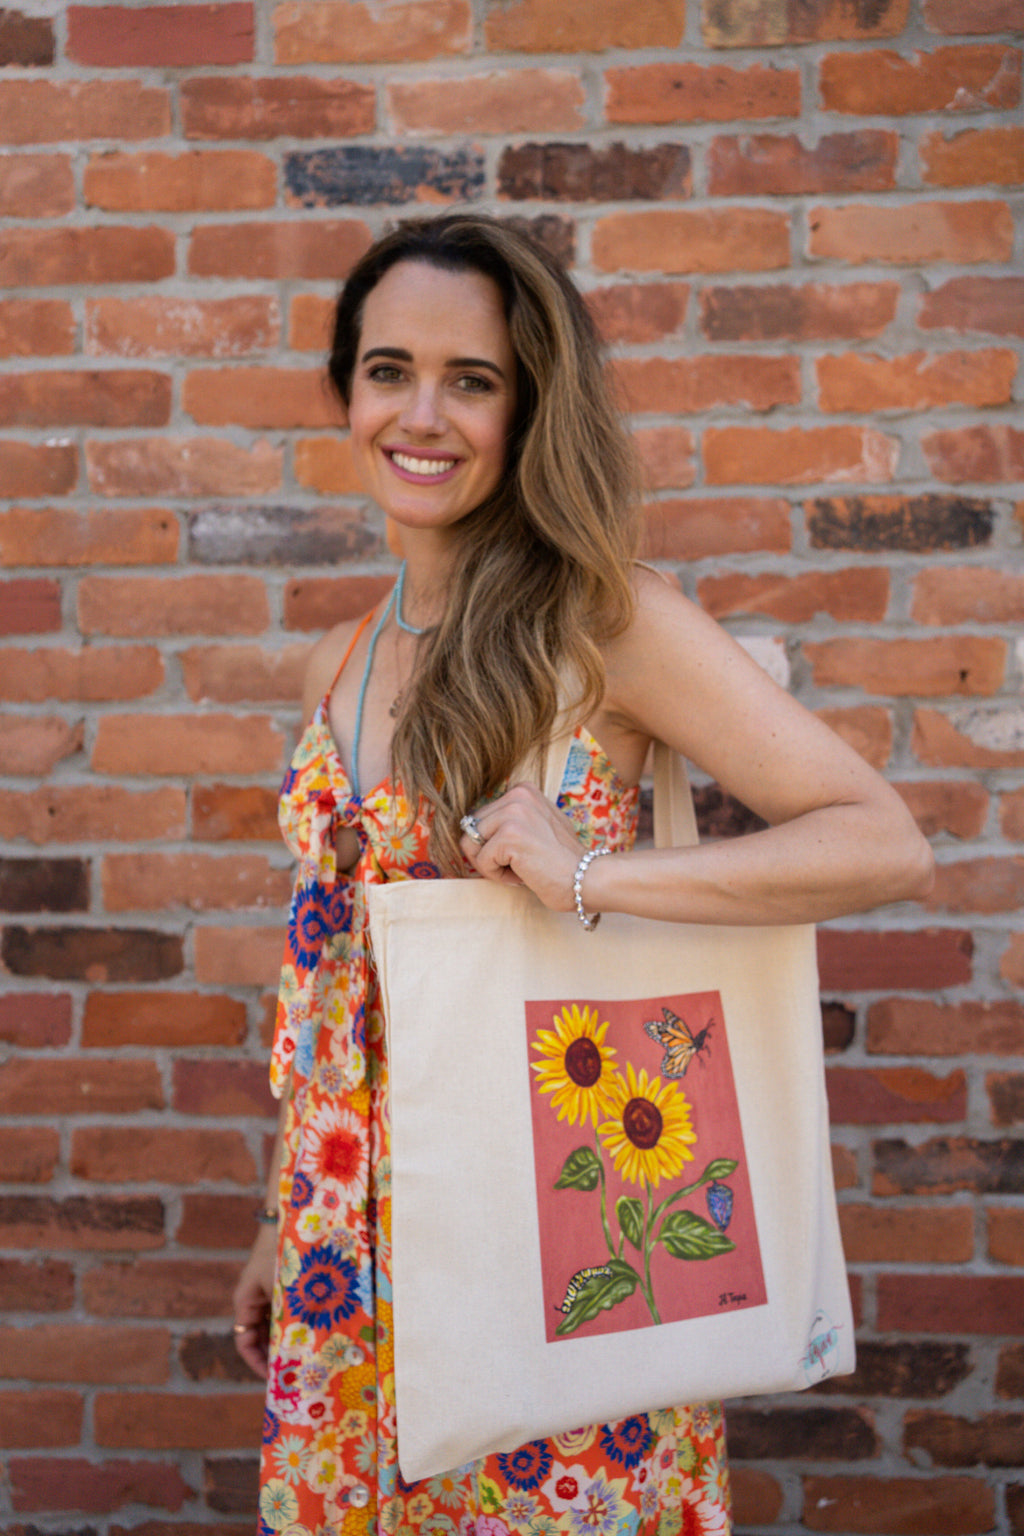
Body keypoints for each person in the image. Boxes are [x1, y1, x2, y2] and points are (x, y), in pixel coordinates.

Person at [232, 213, 933, 1535]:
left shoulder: (606, 624)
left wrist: (592, 874)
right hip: (349, 1249)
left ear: (530, 408)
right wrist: (285, 1216)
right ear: (345, 393)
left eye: (473, 380)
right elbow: (329, 974)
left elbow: (879, 837)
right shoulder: (339, 660)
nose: (421, 415)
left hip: (553, 1248)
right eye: (388, 371)